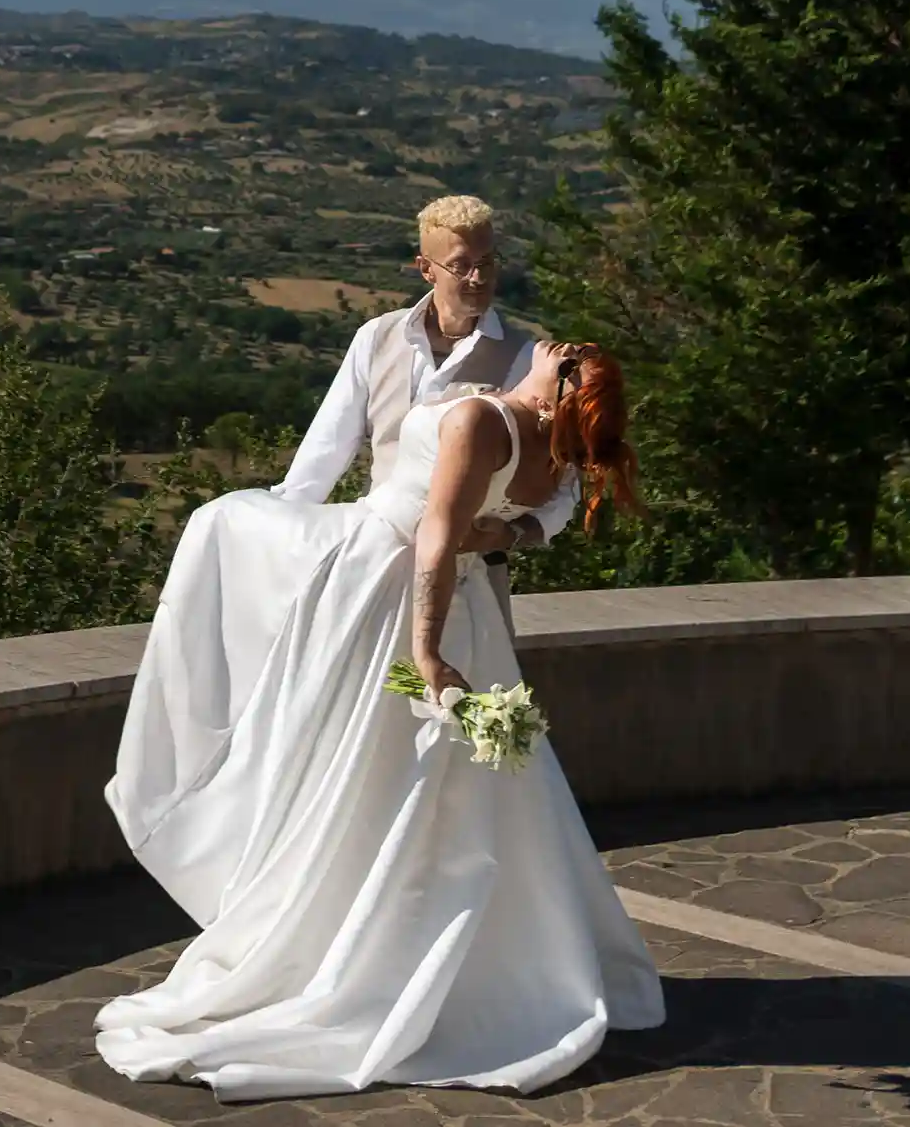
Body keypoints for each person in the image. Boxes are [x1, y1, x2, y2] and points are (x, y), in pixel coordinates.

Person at [97, 340, 664, 1099]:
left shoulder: (482, 420)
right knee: (429, 778)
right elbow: (540, 515)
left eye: (566, 354)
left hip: (389, 590)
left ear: (560, 385)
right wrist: (512, 534)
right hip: (469, 609)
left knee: (226, 526)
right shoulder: (557, 444)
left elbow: (436, 538)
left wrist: (425, 650)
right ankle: (443, 944)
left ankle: (352, 945)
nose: (555, 343)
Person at [276, 193, 579, 582]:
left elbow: (564, 478)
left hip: (468, 574)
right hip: (373, 558)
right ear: (426, 269)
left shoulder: (526, 360)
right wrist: (284, 532)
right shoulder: (377, 337)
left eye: (487, 262)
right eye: (461, 265)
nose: (479, 278)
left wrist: (514, 534)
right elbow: (327, 448)